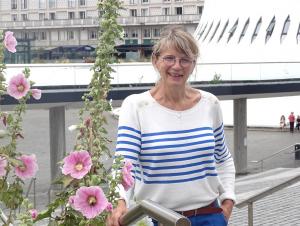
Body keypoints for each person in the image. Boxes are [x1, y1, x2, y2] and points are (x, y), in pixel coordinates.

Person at [106, 26, 236, 226]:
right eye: (169, 58)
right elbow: (124, 166)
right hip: (158, 218)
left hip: (209, 216)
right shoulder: (136, 106)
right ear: (155, 60)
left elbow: (223, 158)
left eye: (185, 60)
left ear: (193, 65)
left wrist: (227, 202)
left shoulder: (210, 103)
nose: (177, 66)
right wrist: (120, 202)